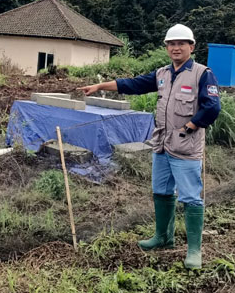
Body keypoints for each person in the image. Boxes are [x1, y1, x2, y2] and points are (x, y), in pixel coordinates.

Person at [78, 24, 221, 269]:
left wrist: (190, 126)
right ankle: (163, 238)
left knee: (190, 198)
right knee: (161, 192)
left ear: (191, 47)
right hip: (162, 146)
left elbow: (212, 107)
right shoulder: (162, 74)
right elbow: (133, 84)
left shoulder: (202, 74)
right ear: (166, 47)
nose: (176, 48)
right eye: (171, 44)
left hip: (186, 148)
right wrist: (100, 87)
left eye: (181, 43)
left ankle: (194, 251)